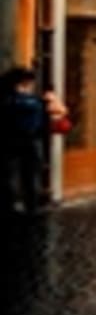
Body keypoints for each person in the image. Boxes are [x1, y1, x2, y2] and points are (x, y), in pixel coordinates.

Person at [2, 68, 49, 214]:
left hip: (10, 141)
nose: (32, 86)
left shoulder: (7, 99)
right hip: (29, 141)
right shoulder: (33, 101)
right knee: (30, 175)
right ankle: (31, 206)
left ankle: (13, 205)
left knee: (11, 174)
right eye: (30, 84)